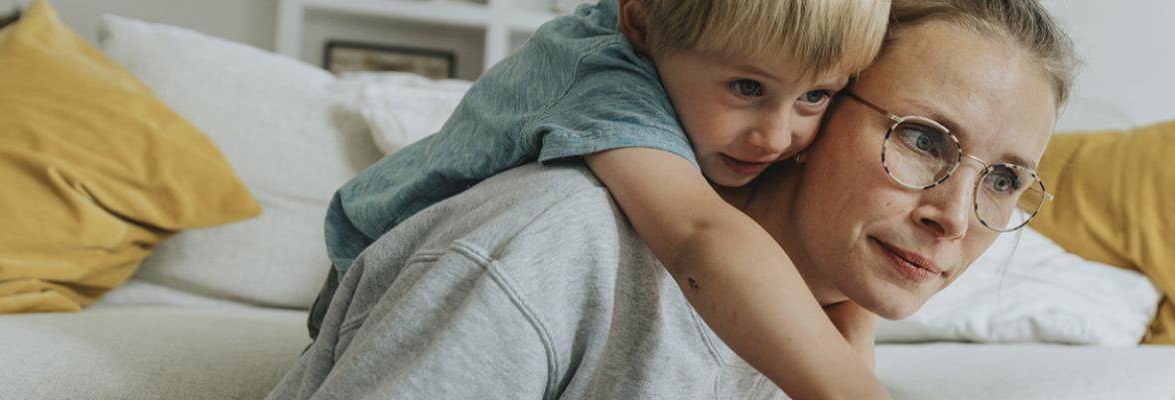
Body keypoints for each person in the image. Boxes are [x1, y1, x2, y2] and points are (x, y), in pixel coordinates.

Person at [272, 0, 1079, 398]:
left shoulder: (815, 317)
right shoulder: (548, 240)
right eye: (923, 139)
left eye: (1004, 180)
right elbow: (699, 239)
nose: (955, 214)